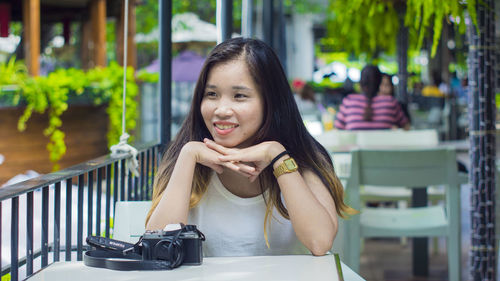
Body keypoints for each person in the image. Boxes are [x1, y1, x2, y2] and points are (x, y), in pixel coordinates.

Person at [145, 38, 354, 257]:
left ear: (270, 101)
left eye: (239, 96)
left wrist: (276, 155)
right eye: (212, 94)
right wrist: (188, 155)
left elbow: (320, 242)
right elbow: (158, 250)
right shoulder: (187, 158)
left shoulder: (303, 161)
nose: (222, 109)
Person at [334, 65, 410, 130]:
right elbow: (406, 127)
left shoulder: (348, 101)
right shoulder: (390, 102)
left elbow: (337, 129)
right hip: (384, 146)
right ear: (379, 83)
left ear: (360, 82)